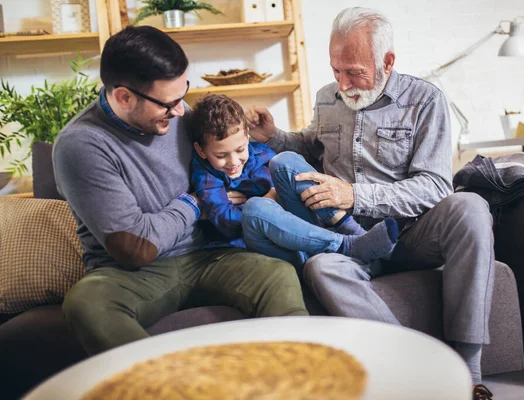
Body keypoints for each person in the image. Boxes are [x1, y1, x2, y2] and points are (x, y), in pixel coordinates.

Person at [246, 7, 495, 399]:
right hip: (350, 238)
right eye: (336, 71)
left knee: (471, 207)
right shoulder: (328, 97)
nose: (343, 83)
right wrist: (275, 136)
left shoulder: (424, 100)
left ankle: (467, 368)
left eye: (354, 72)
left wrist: (356, 193)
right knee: (322, 266)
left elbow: (434, 186)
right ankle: (411, 366)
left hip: (410, 232)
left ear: (387, 62)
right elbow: (313, 146)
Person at [53, 25, 309, 357]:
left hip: (210, 253)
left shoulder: (178, 112)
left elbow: (236, 157)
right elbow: (136, 247)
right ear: (123, 96)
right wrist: (195, 203)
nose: (180, 111)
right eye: (168, 103)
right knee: (86, 303)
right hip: (136, 274)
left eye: (183, 93)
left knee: (277, 273)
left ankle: (300, 377)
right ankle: (169, 387)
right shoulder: (82, 145)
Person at [187, 94, 399, 269]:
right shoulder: (205, 176)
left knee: (285, 160)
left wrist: (275, 191)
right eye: (221, 155)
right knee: (256, 207)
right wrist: (270, 199)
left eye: (240, 149)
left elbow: (288, 179)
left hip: (304, 226)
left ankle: (355, 233)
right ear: (201, 150)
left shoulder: (258, 152)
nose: (233, 162)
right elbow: (227, 222)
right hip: (265, 240)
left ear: (247, 136)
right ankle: (348, 246)